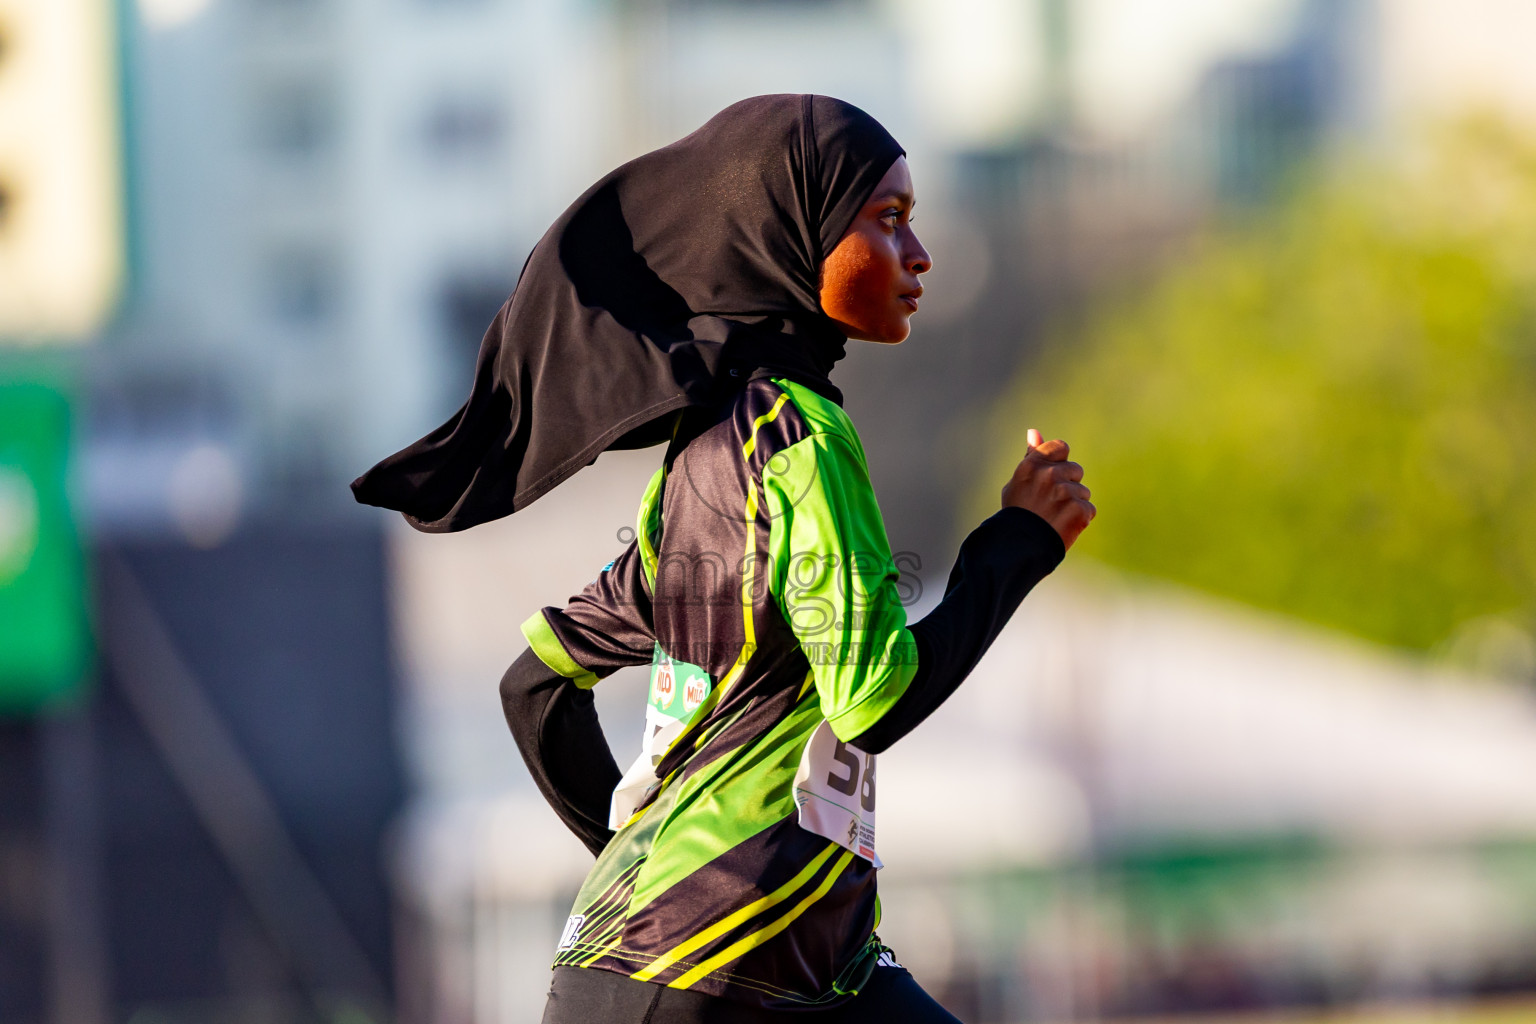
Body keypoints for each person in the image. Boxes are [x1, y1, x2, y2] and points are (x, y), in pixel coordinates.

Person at [352, 94, 1094, 1023]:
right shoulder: (801, 442)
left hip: (754, 967)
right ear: (793, 236)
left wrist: (643, 868)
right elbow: (875, 700)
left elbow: (533, 688)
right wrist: (1017, 543)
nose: (920, 255)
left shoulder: (699, 459)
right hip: (713, 974)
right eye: (889, 221)